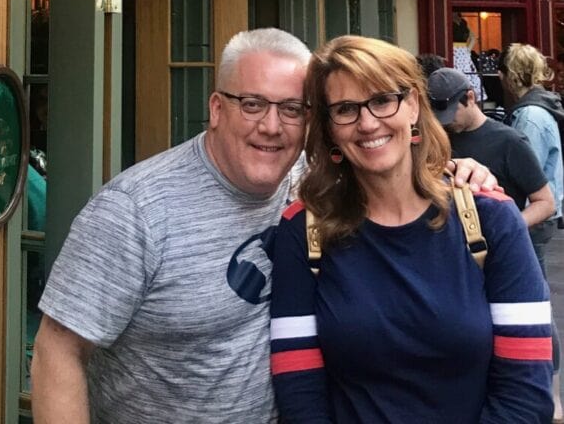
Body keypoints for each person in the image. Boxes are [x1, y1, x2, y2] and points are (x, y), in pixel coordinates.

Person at [31, 28, 500, 424]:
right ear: (217, 108)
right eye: (252, 104)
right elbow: (59, 350)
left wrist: (457, 173)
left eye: (292, 109)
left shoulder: (309, 187)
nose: (272, 126)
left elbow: (394, 174)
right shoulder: (134, 212)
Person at [271, 35, 552, 423]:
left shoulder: (492, 219)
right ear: (330, 128)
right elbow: (299, 386)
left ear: (414, 106)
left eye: (383, 100)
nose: (368, 123)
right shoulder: (303, 230)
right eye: (346, 109)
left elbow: (526, 389)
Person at [501, 42, 564, 419]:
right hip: (542, 216)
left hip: (534, 217)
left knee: (533, 302)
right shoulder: (542, 108)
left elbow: (530, 174)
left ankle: (550, 387)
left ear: (513, 75)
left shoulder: (529, 117)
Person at [427, 66, 555, 226]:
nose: (445, 122)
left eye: (452, 113)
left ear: (470, 97)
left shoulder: (509, 141)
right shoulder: (438, 137)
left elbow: (545, 202)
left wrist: (510, 228)